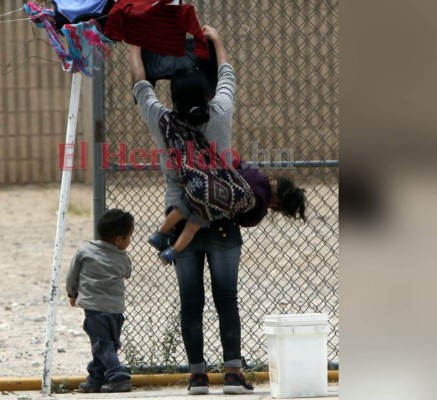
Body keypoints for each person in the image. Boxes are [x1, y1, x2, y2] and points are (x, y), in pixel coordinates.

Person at [130, 25, 306, 395]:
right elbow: (227, 75)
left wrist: (135, 47)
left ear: (174, 100)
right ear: (207, 96)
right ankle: (232, 373)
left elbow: (141, 87)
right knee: (226, 299)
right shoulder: (221, 114)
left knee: (189, 301)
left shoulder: (161, 122)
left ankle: (197, 376)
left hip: (179, 217)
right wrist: (217, 41)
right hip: (223, 218)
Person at [66, 208, 135, 393]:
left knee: (101, 345)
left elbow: (73, 274)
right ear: (119, 239)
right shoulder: (123, 257)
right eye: (129, 237)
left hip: (94, 309)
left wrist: (72, 293)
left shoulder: (85, 251)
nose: (130, 241)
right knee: (107, 345)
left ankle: (119, 377)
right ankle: (95, 380)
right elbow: (127, 273)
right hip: (116, 310)